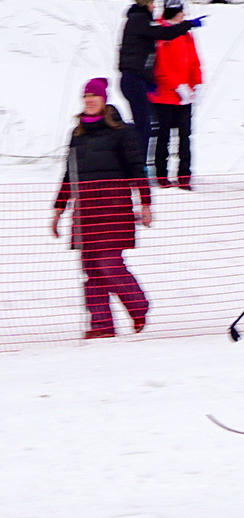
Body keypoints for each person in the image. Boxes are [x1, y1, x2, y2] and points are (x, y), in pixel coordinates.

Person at [52, 79, 151, 338]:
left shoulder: (121, 131)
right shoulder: (77, 134)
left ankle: (138, 306)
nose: (89, 100)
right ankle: (101, 325)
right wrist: (58, 208)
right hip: (85, 211)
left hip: (113, 209)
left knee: (109, 265)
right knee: (91, 270)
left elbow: (137, 169)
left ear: (103, 99)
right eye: (86, 95)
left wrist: (146, 202)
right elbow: (68, 176)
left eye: (94, 95)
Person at [117, 0, 199, 168]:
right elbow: (164, 33)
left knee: (147, 125)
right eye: (152, 3)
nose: (154, 7)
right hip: (133, 80)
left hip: (137, 79)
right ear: (145, 4)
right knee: (144, 125)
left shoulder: (138, 20)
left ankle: (139, 164)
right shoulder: (140, 21)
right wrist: (188, 24)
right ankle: (137, 167)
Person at [149, 0, 201, 190]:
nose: (184, 16)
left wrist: (197, 83)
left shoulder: (186, 34)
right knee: (163, 135)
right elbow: (161, 67)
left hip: (185, 96)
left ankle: (184, 175)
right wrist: (177, 86)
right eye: (181, 12)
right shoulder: (161, 32)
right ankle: (161, 174)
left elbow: (194, 60)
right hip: (164, 95)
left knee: (185, 136)